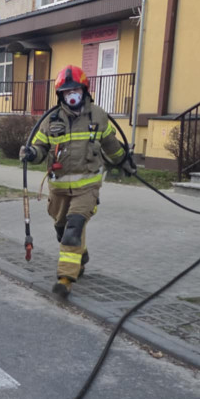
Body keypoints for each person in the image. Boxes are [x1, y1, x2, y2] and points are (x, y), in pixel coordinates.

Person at [20, 65, 136, 298]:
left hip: (87, 186)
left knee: (74, 229)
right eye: (66, 92)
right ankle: (80, 257)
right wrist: (32, 153)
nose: (71, 95)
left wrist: (124, 161)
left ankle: (65, 279)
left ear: (84, 90)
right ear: (60, 95)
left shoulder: (98, 116)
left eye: (75, 90)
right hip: (59, 187)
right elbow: (41, 147)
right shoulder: (51, 120)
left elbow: (111, 145)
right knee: (62, 231)